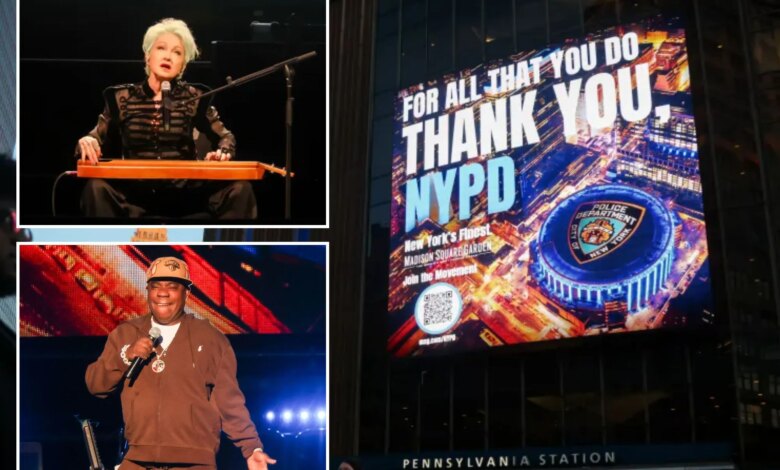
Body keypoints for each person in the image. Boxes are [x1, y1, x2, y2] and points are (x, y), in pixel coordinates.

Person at [85, 256, 275, 469]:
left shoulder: (210, 339)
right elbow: (96, 386)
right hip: (138, 458)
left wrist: (251, 448)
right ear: (147, 290)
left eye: (172, 287)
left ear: (187, 292)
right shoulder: (126, 334)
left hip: (194, 461)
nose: (162, 293)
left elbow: (228, 401)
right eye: (155, 286)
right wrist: (126, 356)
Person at [77, 18, 257, 219]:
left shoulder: (195, 97)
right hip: (135, 196)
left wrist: (223, 152)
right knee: (95, 188)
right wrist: (88, 140)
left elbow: (226, 137)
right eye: (161, 48)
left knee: (241, 189)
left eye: (177, 52)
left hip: (186, 197)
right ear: (147, 56)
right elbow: (95, 136)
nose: (168, 57)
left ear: (182, 65)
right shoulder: (121, 98)